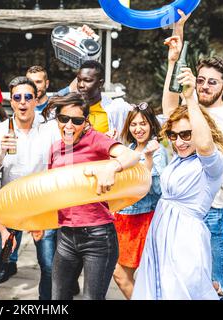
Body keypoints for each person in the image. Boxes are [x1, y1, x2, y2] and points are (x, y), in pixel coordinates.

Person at [162, 10, 223, 300]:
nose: (205, 85)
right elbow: (170, 106)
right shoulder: (187, 108)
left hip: (209, 212)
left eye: (213, 82)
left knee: (218, 279)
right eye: (202, 80)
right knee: (184, 279)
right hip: (177, 210)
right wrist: (175, 51)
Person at [132, 66, 223, 300]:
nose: (179, 142)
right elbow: (169, 109)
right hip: (160, 234)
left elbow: (205, 144)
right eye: (174, 136)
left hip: (186, 240)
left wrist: (191, 97)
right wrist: (173, 61)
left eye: (186, 135)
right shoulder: (179, 159)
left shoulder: (212, 164)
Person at [43, 93, 140, 300]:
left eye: (77, 121)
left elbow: (131, 155)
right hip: (66, 235)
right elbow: (53, 189)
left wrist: (112, 167)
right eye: (64, 119)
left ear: (85, 122)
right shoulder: (55, 149)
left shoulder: (95, 139)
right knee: (58, 297)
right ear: (57, 119)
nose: (69, 125)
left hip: (97, 236)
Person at [0, 76, 61, 300]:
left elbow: (63, 161)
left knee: (47, 263)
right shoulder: (0, 130)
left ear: (36, 100)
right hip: (9, 203)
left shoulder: (49, 129)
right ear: (11, 102)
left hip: (41, 205)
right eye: (17, 97)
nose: (23, 102)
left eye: (28, 97)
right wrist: (1, 151)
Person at [112, 103, 168, 299]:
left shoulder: (158, 152)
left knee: (123, 274)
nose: (138, 129)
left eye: (143, 123)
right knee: (123, 274)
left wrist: (149, 159)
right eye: (134, 124)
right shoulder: (129, 148)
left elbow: (156, 190)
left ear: (152, 125)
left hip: (142, 220)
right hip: (123, 219)